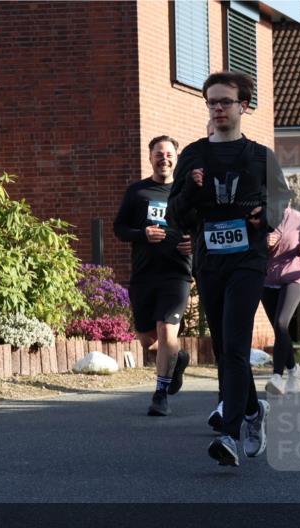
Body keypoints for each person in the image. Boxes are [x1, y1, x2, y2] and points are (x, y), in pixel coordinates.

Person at [166, 71, 291, 467]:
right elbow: (175, 215)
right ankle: (255, 411)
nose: (218, 108)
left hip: (248, 261)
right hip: (209, 260)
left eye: (225, 102)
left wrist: (263, 217)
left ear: (243, 107)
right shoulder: (193, 154)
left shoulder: (260, 157)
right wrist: (190, 188)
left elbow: (280, 201)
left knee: (235, 345)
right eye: (212, 102)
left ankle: (230, 434)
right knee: (225, 350)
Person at [113, 135, 193, 417]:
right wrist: (142, 234)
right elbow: (119, 228)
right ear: (150, 157)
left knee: (167, 329)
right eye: (158, 154)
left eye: (169, 154)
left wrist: (194, 241)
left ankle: (160, 394)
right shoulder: (138, 192)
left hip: (177, 275)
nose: (164, 158)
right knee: (149, 340)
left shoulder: (187, 193)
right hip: (145, 275)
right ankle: (178, 358)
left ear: (176, 158)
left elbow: (203, 227)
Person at [262, 203, 300, 395]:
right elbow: (250, 245)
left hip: (293, 278)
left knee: (282, 323)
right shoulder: (261, 215)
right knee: (279, 330)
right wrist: (263, 241)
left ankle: (277, 376)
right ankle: (293, 369)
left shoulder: (299, 218)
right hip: (267, 280)